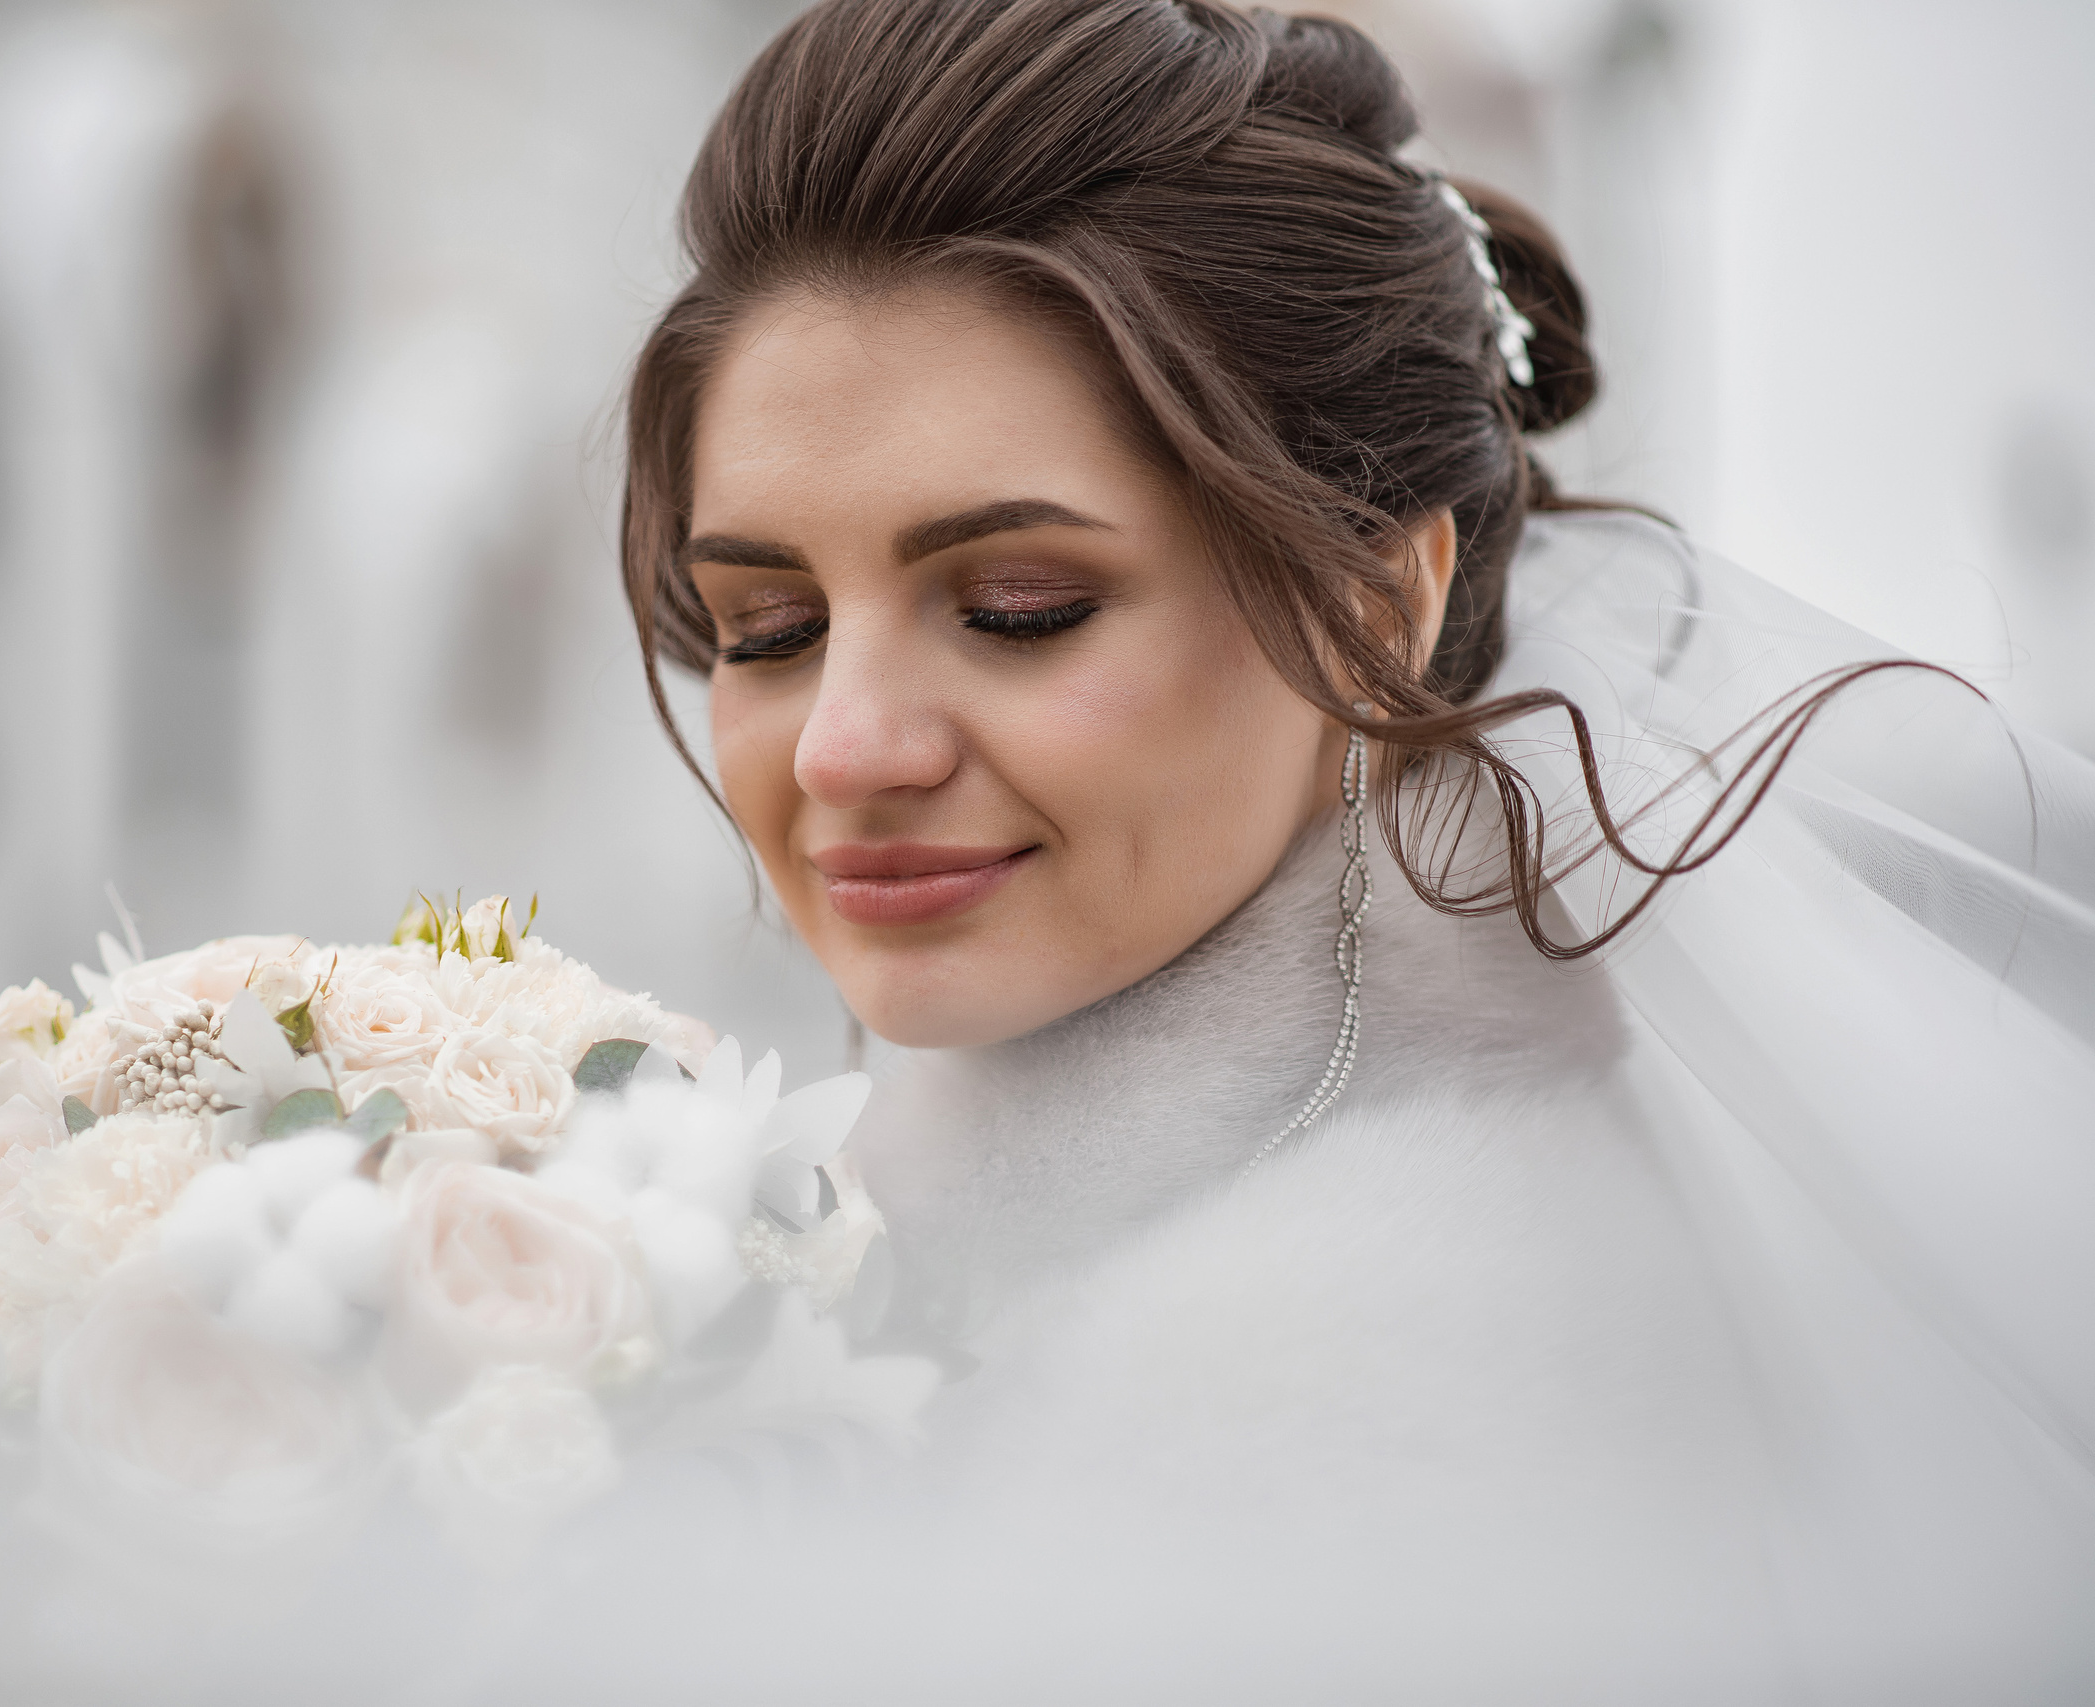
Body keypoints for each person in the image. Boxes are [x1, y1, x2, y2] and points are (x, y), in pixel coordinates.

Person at [599, 0, 2095, 1694]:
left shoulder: (1358, 1415)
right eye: (769, 623)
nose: (847, 748)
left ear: (1381, 596)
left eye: (1020, 609)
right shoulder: (860, 1241)